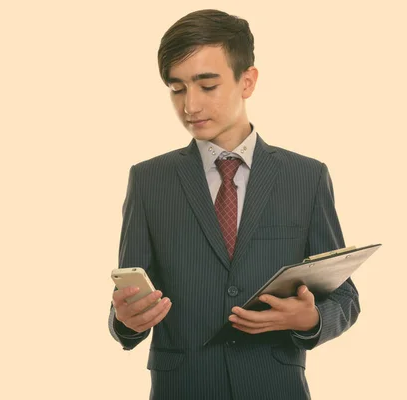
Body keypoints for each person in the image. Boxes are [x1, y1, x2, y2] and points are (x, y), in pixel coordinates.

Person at [107, 9, 360, 400]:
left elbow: (345, 298)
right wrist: (126, 321)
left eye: (206, 86)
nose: (190, 106)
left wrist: (311, 319)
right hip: (183, 387)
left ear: (248, 81)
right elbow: (130, 303)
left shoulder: (306, 177)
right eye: (177, 89)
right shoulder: (148, 180)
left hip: (276, 388)